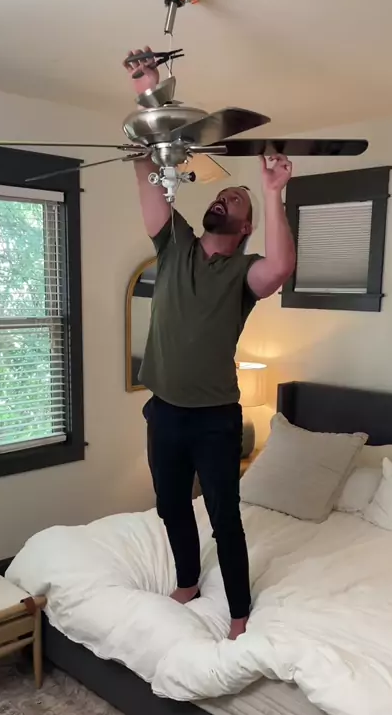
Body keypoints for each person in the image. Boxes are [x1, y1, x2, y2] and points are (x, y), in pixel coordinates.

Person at [124, 48, 296, 640]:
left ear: (245, 227)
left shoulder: (245, 272)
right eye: (224, 196)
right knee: (171, 505)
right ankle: (188, 581)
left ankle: (240, 611)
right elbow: (148, 179)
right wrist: (148, 93)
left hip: (215, 419)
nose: (224, 200)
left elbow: (280, 267)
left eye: (236, 202)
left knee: (225, 517)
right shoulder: (173, 242)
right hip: (164, 412)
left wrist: (271, 191)